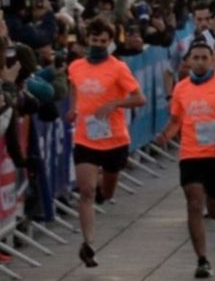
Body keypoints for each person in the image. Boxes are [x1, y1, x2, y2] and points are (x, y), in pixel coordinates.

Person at [155, 40, 215, 279]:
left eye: (204, 58)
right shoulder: (181, 88)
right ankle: (202, 259)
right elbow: (177, 119)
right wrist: (166, 135)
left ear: (211, 60)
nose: (199, 62)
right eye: (195, 58)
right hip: (191, 155)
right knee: (194, 204)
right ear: (188, 61)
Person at [68, 17, 147, 268]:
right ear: (87, 39)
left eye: (103, 41)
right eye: (94, 40)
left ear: (110, 42)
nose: (98, 45)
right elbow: (74, 88)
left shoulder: (118, 68)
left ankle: (103, 187)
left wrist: (115, 104)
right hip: (85, 139)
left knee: (107, 192)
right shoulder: (76, 66)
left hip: (114, 140)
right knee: (87, 192)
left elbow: (140, 99)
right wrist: (73, 108)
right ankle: (88, 244)